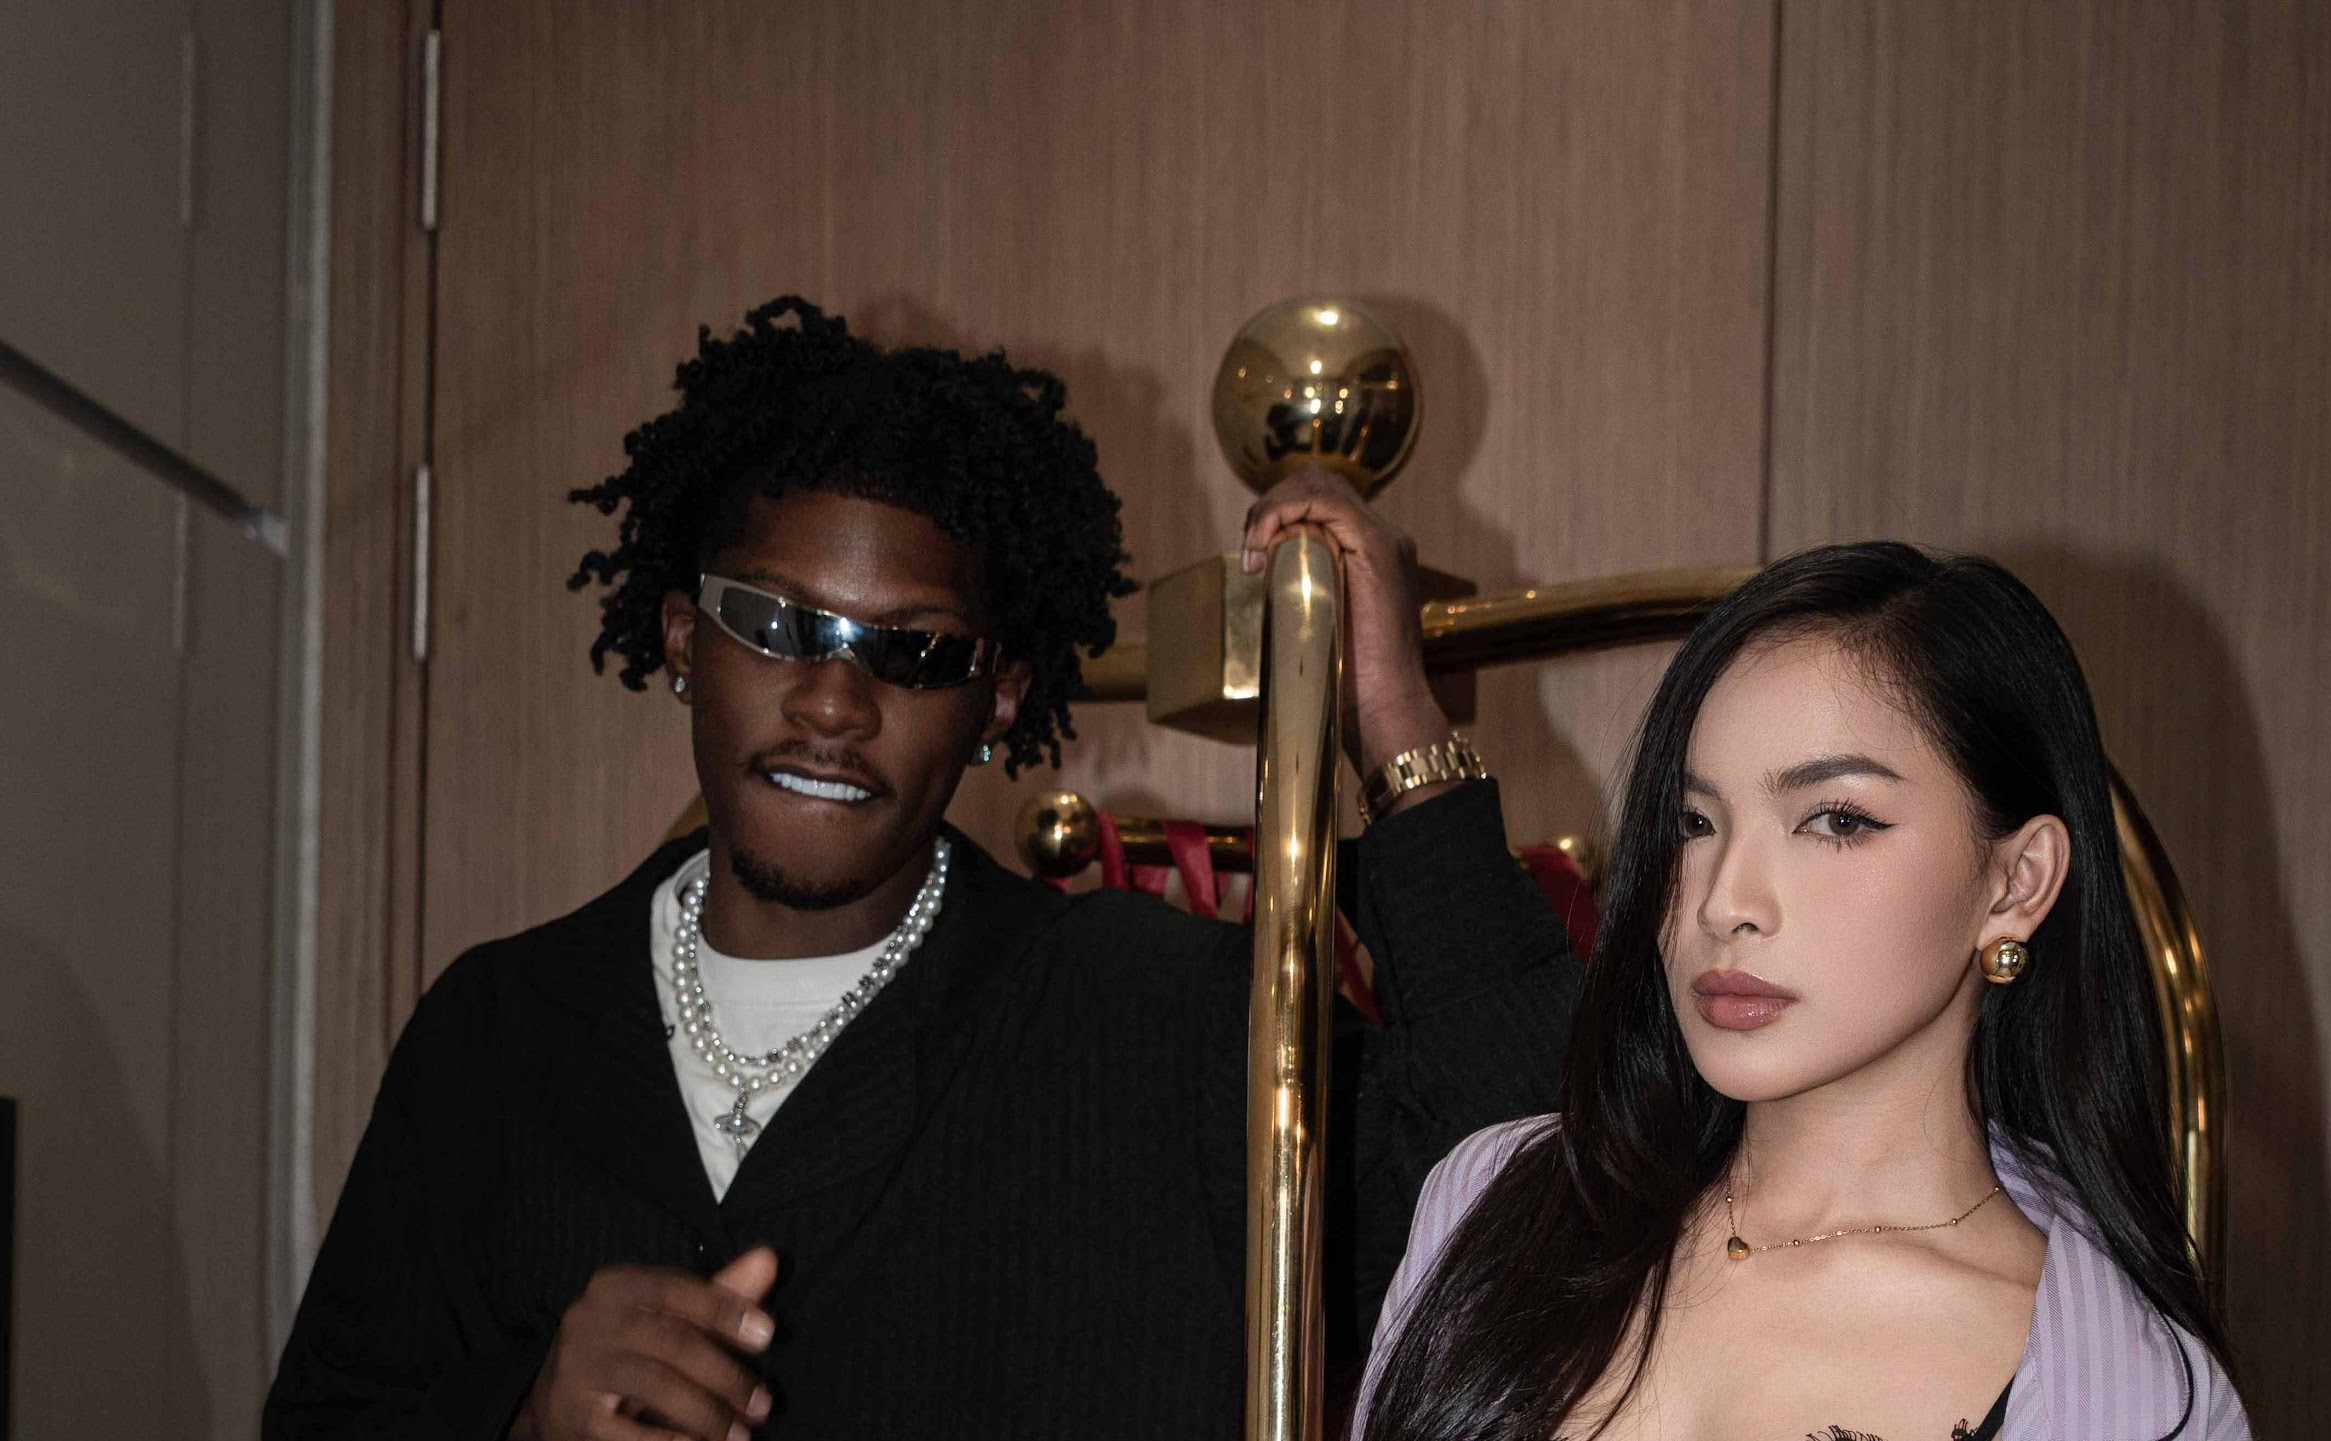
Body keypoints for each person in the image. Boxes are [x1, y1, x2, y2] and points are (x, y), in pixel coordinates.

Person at [264, 297, 1579, 1440]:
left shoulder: (1162, 1019)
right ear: (681, 639)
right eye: (776, 624)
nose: (835, 702)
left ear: (997, 698)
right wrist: (521, 1413)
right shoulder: (496, 1037)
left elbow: (1539, 1189)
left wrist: (1394, 723)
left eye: (916, 652)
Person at [1356, 543, 2250, 1441]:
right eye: (1694, 821)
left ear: (2016, 882)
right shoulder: (1488, 1201)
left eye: (1836, 820)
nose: (1724, 901)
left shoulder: (2132, 1397)